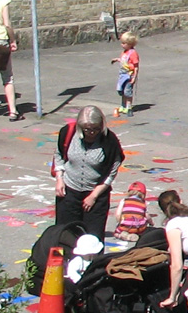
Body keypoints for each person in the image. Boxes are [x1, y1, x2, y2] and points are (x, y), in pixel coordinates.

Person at [53, 105, 125, 241]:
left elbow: (111, 172)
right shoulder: (68, 133)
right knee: (66, 236)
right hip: (69, 192)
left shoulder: (110, 141)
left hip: (95, 195)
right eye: (87, 129)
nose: (91, 132)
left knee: (93, 239)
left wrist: (94, 195)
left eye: (95, 129)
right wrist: (59, 179)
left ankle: (93, 262)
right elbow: (59, 155)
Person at [111, 31, 140, 117]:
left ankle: (129, 107)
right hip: (122, 75)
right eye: (122, 43)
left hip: (129, 75)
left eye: (124, 43)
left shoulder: (133, 53)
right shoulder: (125, 52)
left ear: (130, 44)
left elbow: (136, 66)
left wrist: (134, 77)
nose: (122, 45)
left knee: (127, 92)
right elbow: (124, 60)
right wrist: (117, 59)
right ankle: (123, 106)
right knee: (121, 91)